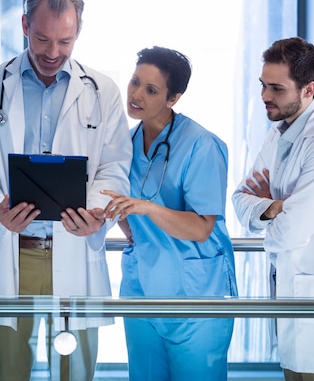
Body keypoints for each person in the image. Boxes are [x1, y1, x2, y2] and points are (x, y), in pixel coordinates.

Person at [0, 0, 132, 381]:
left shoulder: (102, 91)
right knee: (5, 371)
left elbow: (116, 166)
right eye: (42, 39)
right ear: (23, 25)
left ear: (79, 32)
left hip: (75, 248)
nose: (53, 52)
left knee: (75, 370)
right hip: (12, 251)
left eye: (65, 41)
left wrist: (93, 210)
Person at [103, 46, 238, 381]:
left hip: (196, 296)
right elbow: (124, 205)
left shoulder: (201, 146)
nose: (135, 94)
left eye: (151, 90)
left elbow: (202, 228)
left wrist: (146, 208)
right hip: (142, 289)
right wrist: (126, 217)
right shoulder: (126, 144)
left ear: (173, 98)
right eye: (135, 82)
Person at [232, 37, 314, 380]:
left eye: (277, 88)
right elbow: (239, 200)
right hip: (287, 290)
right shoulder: (279, 133)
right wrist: (276, 207)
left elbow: (292, 232)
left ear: (308, 89)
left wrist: (269, 216)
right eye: (263, 85)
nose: (264, 96)